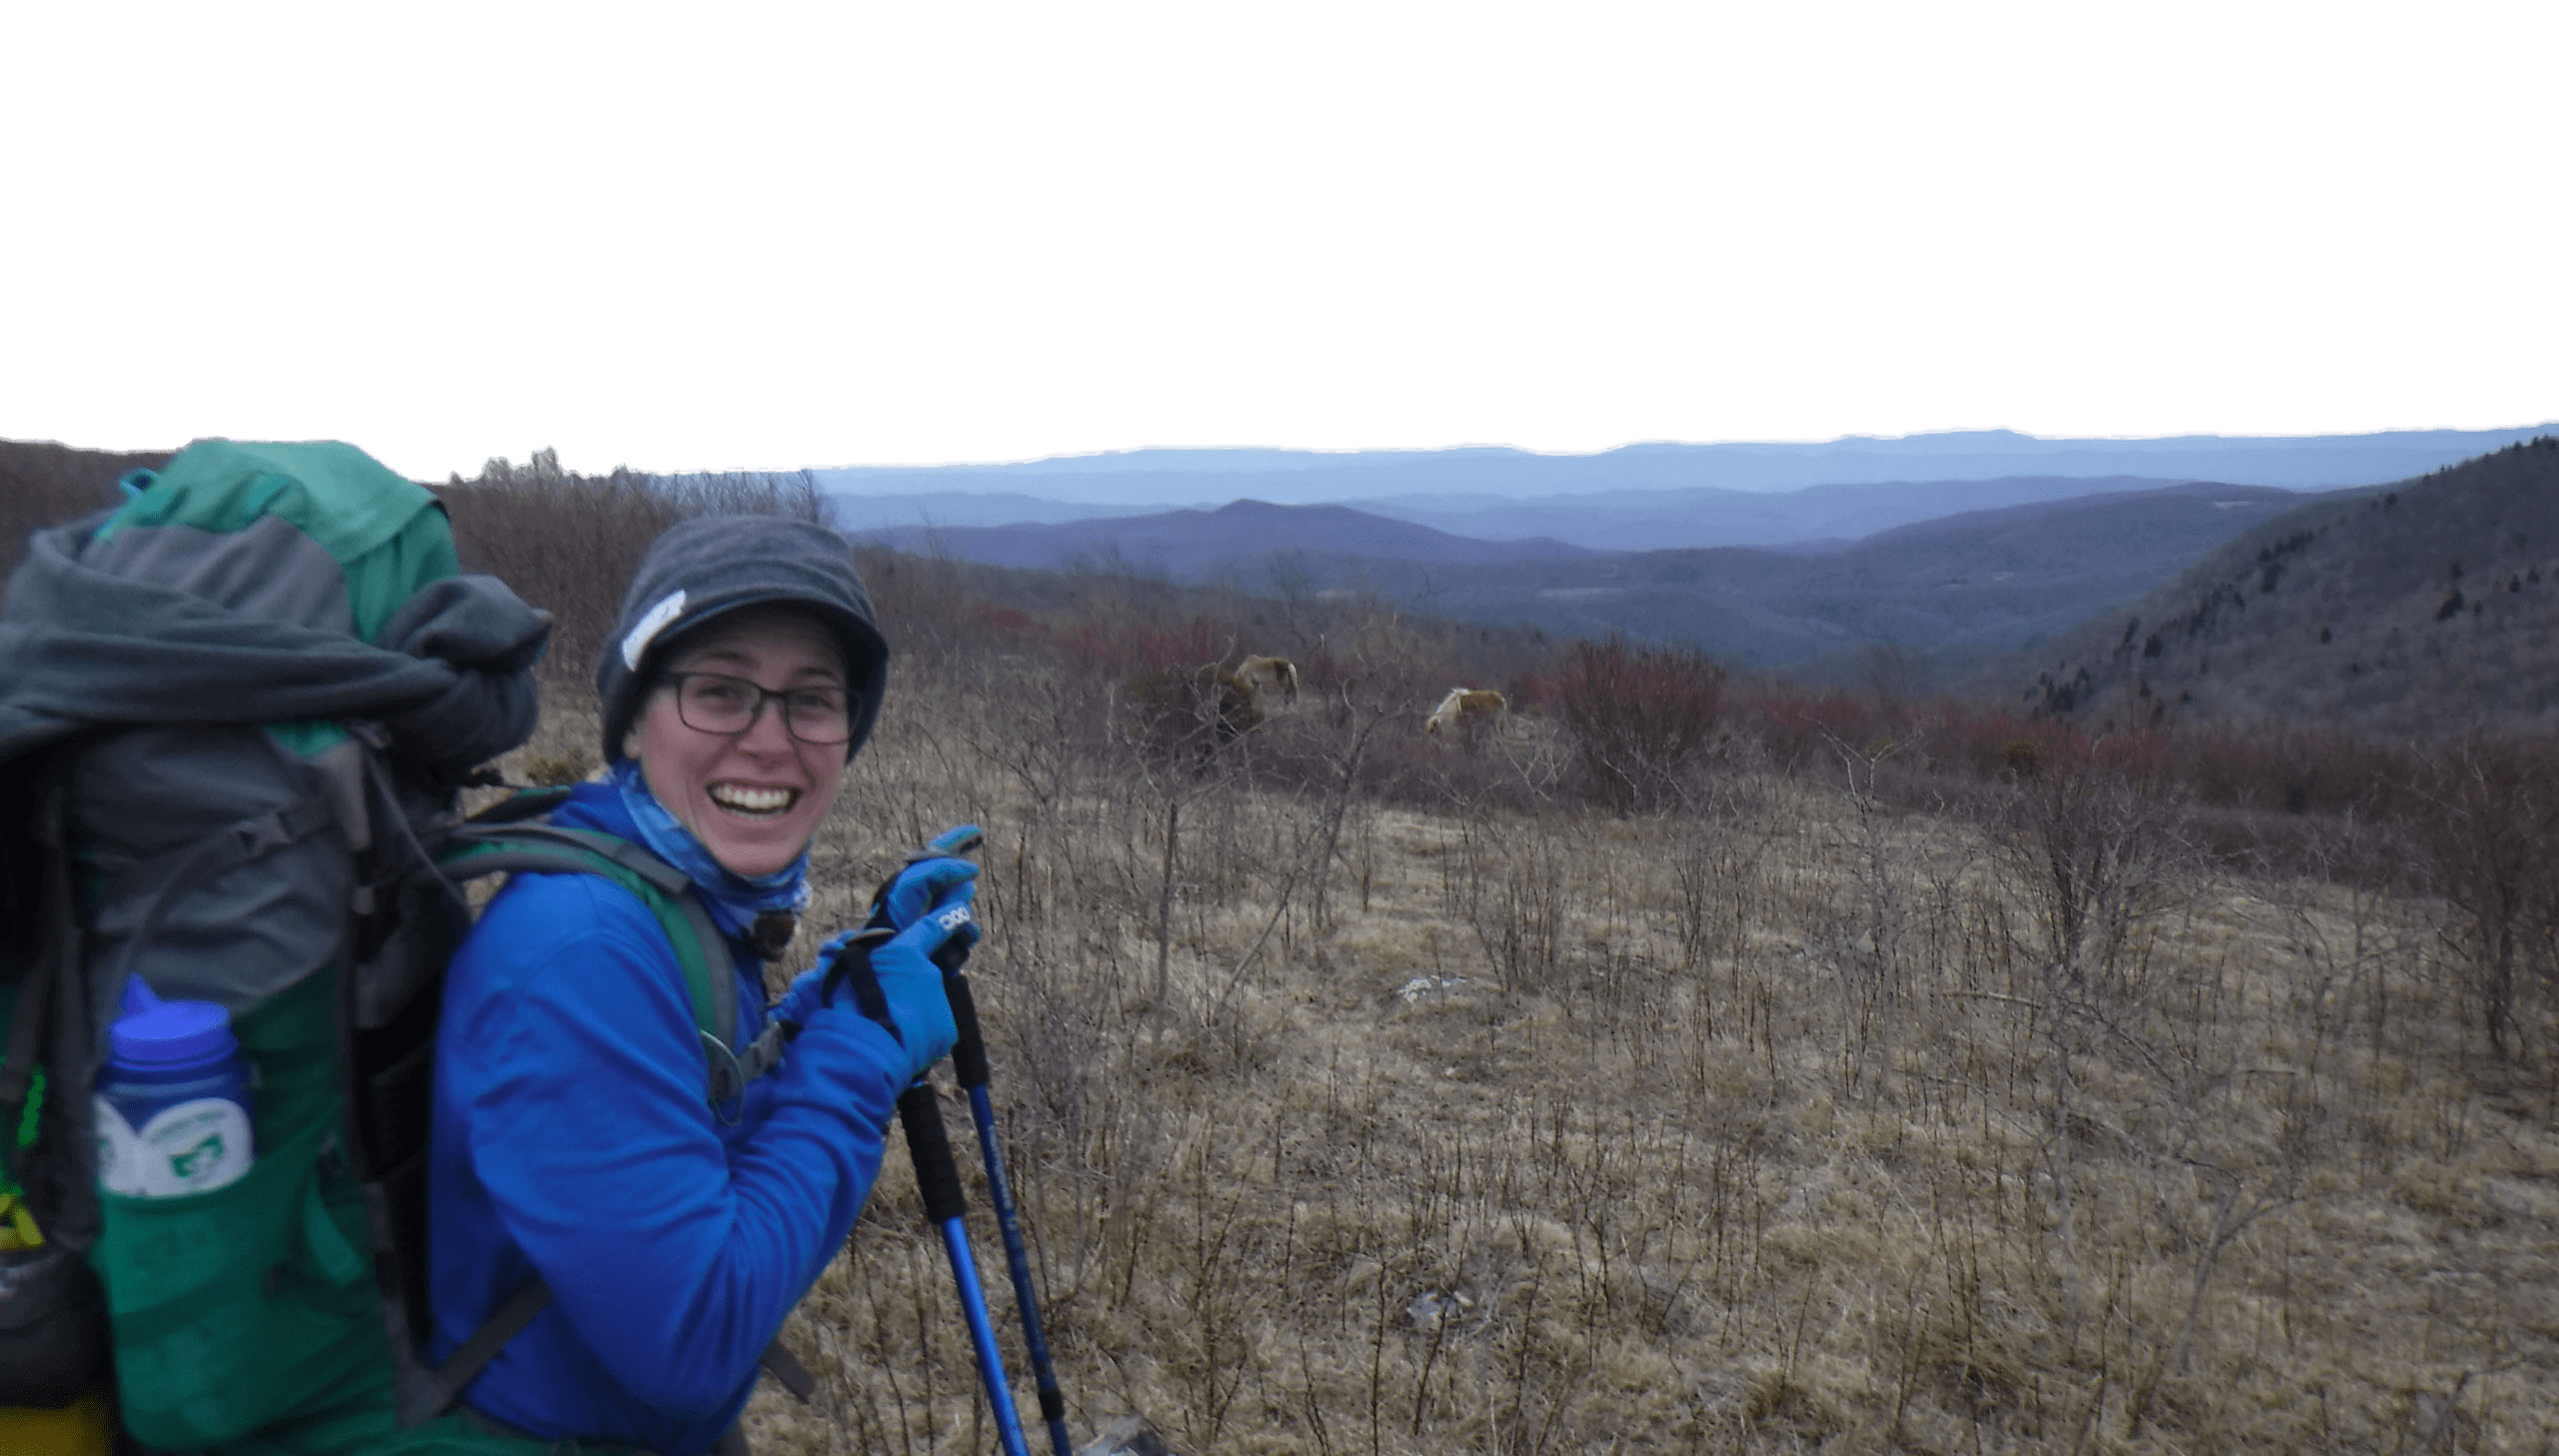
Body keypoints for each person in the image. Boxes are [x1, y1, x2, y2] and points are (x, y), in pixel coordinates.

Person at [425, 516, 977, 1455]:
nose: (770, 740)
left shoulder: (673, 892)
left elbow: (691, 1105)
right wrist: (858, 1053)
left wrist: (827, 1001)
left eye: (812, 700)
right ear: (633, 717)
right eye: (718, 691)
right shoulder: (579, 955)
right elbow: (694, 1337)